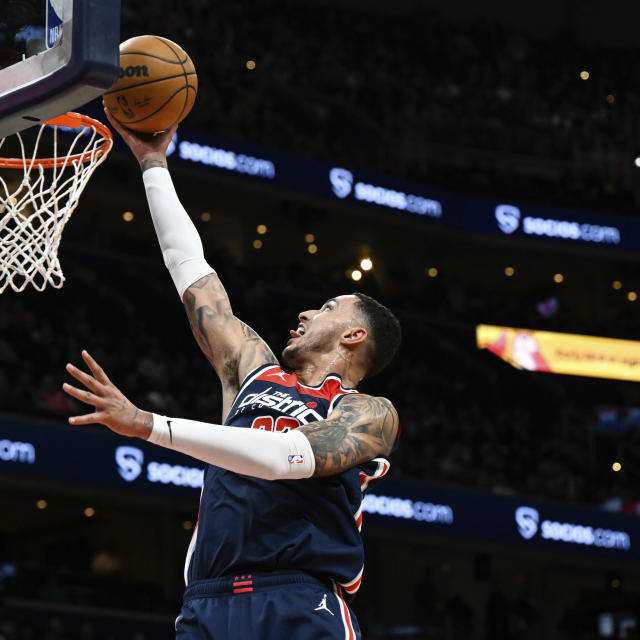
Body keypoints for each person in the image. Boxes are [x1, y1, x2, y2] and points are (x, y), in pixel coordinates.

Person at [61, 112, 402, 640]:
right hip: (206, 603)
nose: (308, 313)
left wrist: (148, 425)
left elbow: (287, 459)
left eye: (328, 307)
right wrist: (154, 164)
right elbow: (192, 272)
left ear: (354, 336)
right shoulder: (253, 370)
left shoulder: (368, 413)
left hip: (298, 601)